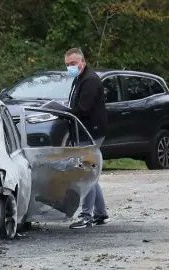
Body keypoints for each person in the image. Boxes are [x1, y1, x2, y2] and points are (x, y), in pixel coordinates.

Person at [64, 47, 109, 229]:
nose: (70, 67)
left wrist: (65, 112)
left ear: (82, 61)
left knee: (87, 173)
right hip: (87, 131)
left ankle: (86, 216)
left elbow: (83, 109)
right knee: (91, 173)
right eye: (67, 64)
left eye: (73, 63)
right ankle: (100, 213)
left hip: (91, 132)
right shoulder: (80, 78)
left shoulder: (89, 80)